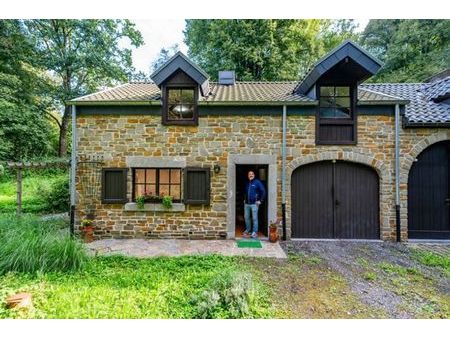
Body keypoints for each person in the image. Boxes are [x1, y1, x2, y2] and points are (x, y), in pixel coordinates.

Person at [243, 170, 266, 239]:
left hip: (254, 204)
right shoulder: (247, 183)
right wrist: (244, 199)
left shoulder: (257, 182)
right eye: (249, 174)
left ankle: (254, 232)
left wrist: (260, 201)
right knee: (246, 217)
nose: (251, 175)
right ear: (248, 175)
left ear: (254, 175)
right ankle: (248, 230)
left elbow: (263, 191)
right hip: (246, 204)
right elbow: (245, 192)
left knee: (254, 218)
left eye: (252, 174)